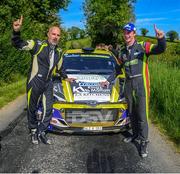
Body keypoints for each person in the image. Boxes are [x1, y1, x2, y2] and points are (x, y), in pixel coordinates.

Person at [101, 23, 166, 157]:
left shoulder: (143, 46)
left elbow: (160, 49)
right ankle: (135, 135)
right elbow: (118, 69)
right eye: (125, 32)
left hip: (141, 84)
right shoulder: (123, 52)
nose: (127, 34)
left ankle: (143, 142)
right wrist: (108, 80)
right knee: (131, 113)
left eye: (129, 32)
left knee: (142, 115)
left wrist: (161, 39)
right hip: (129, 84)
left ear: (134, 33)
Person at [12, 16, 75, 145]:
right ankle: (33, 131)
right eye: (53, 34)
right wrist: (16, 32)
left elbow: (60, 68)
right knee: (32, 108)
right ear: (48, 34)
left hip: (48, 83)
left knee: (48, 109)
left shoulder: (59, 52)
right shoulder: (37, 45)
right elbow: (18, 44)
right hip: (34, 82)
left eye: (58, 35)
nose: (55, 37)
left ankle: (42, 131)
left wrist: (65, 77)